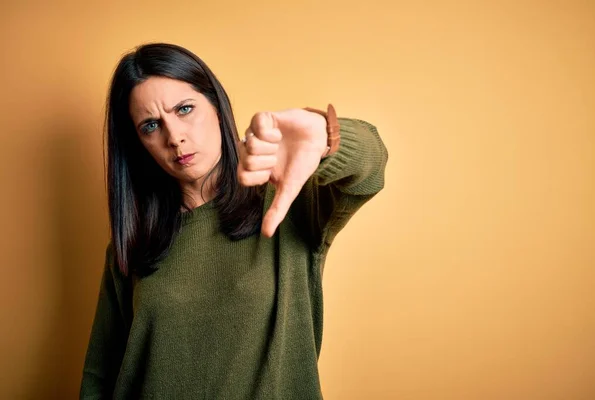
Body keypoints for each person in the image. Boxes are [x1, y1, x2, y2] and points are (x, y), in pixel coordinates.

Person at [80, 42, 388, 400]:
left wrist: (324, 138)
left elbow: (371, 167)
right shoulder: (135, 240)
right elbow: (100, 374)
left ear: (216, 105)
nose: (174, 137)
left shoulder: (285, 199)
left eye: (185, 109)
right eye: (151, 125)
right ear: (138, 143)